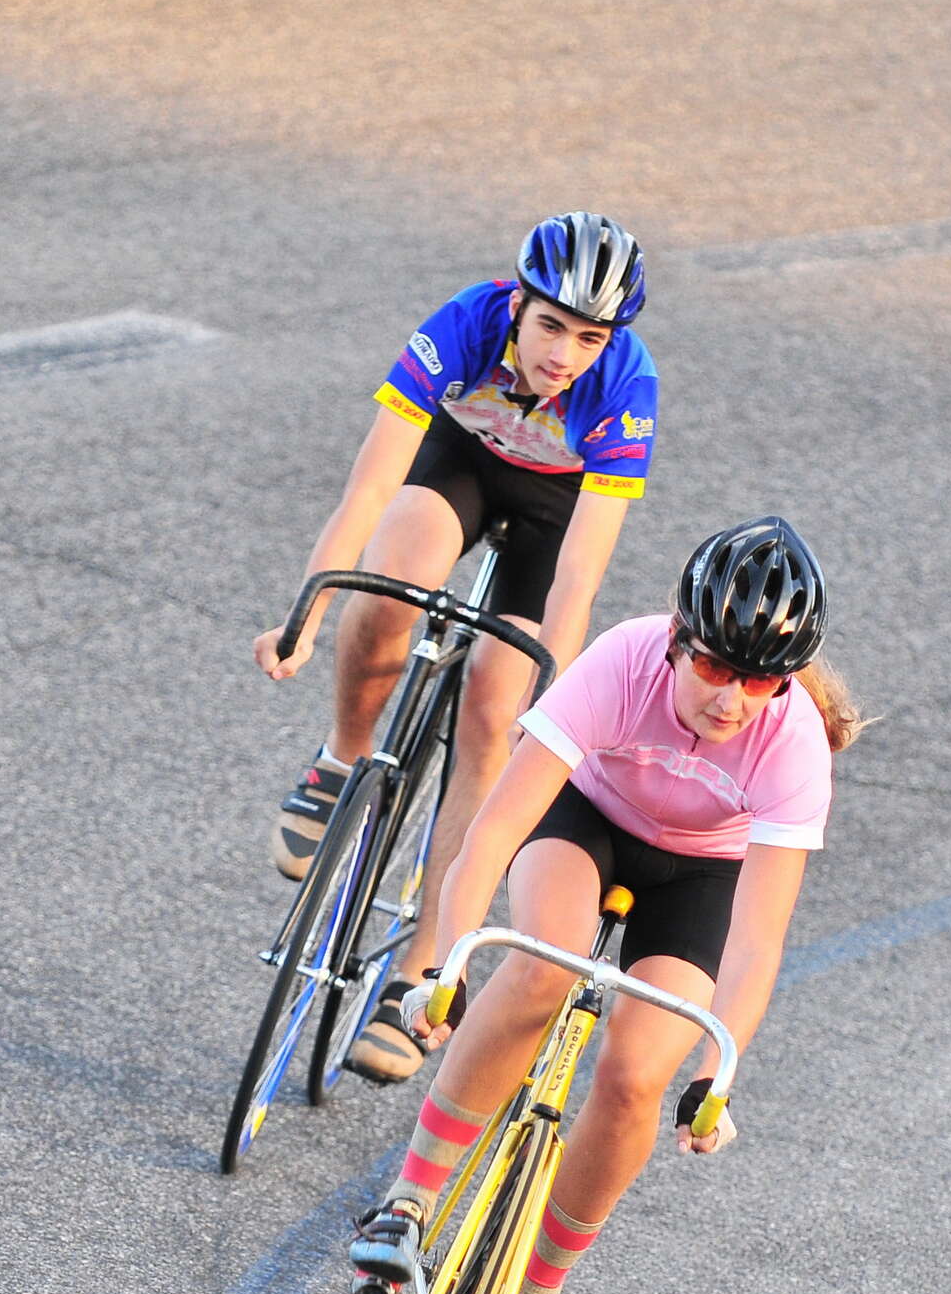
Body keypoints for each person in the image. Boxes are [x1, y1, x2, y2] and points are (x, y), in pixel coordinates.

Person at [348, 517, 864, 1294]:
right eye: (716, 667)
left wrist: (717, 1074)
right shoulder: (624, 660)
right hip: (585, 822)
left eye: (760, 680)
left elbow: (755, 941)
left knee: (635, 1076)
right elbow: (493, 834)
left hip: (699, 879)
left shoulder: (793, 745)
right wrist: (446, 963)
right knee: (540, 969)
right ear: (677, 641)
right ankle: (409, 1200)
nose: (733, 700)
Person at [253, 211, 657, 1082]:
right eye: (550, 326)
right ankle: (342, 757)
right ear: (517, 305)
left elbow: (578, 577)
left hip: (554, 511)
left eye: (588, 338)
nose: (564, 355)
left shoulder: (627, 386)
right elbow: (367, 490)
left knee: (495, 710)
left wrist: (550, 707)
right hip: (462, 462)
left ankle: (421, 972)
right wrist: (306, 612)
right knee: (392, 574)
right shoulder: (465, 323)